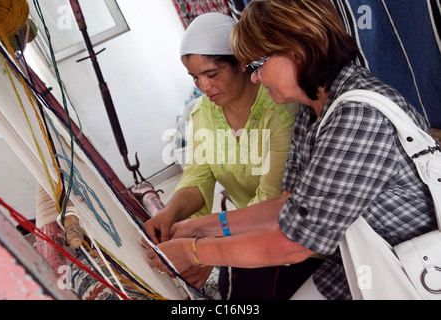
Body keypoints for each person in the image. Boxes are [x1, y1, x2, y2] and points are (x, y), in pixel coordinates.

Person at [147, 0, 437, 300]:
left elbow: (296, 241)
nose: (255, 78)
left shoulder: (356, 117)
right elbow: (288, 204)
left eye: (258, 65)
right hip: (363, 251)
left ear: (295, 53)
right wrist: (200, 227)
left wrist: (195, 251)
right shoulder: (313, 108)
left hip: (410, 265)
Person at [143, 12, 303, 299]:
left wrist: (202, 249)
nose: (203, 87)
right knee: (231, 286)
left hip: (288, 238)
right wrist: (170, 214)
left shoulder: (280, 110)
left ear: (241, 63)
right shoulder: (204, 112)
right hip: (238, 229)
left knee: (249, 291)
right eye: (195, 77)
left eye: (211, 74)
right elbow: (198, 177)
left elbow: (270, 201)